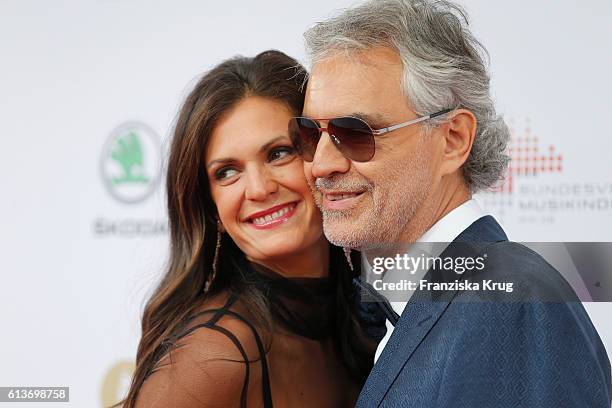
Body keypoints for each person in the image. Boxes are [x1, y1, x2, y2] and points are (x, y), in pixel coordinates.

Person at [290, 0, 612, 406]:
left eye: (356, 132)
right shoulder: (422, 299)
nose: (320, 164)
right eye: (309, 134)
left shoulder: (508, 306)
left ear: (453, 139)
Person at [117, 50, 376, 408]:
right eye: (227, 172)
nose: (258, 188)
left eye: (279, 153)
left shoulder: (369, 313)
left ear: (322, 157)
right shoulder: (211, 357)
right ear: (212, 209)